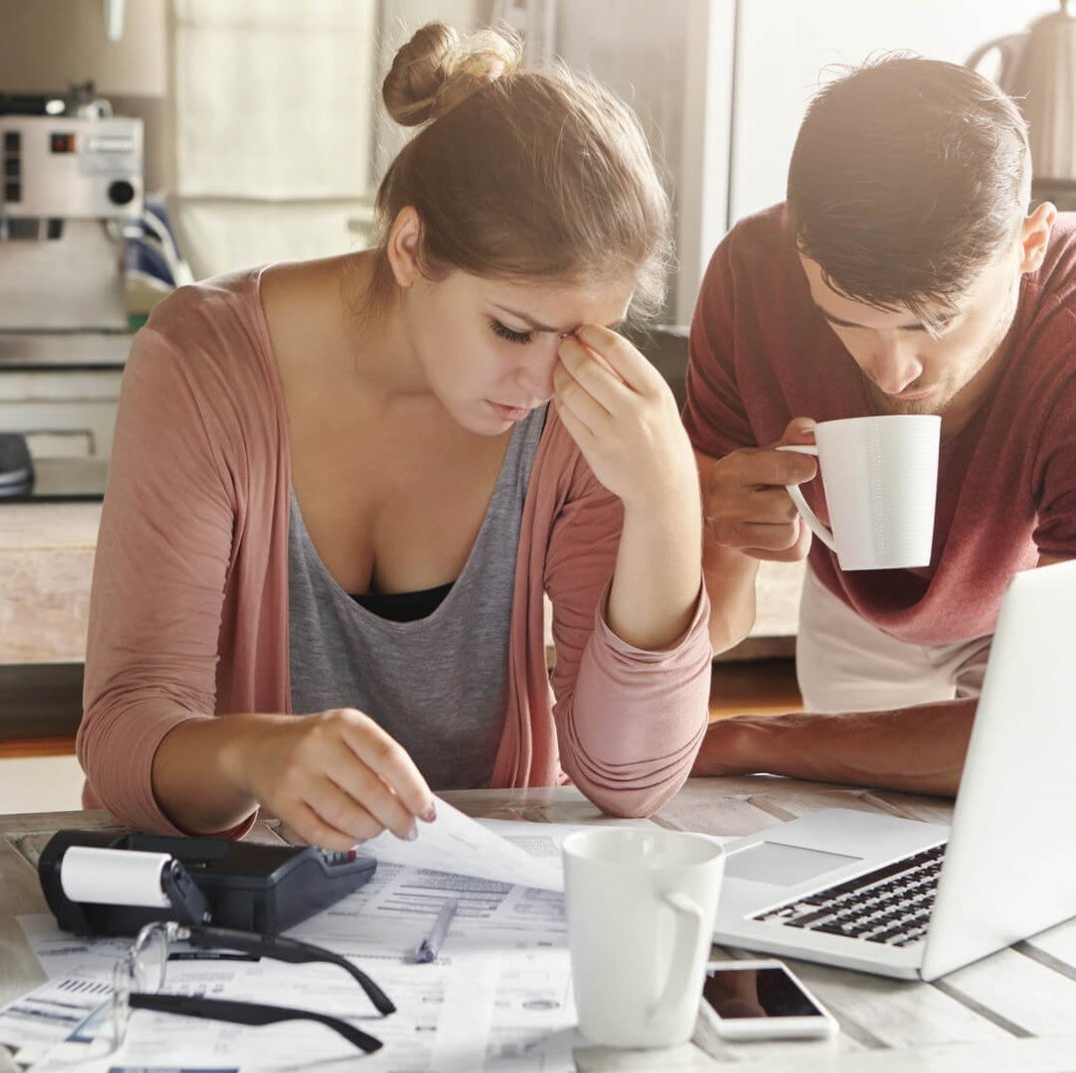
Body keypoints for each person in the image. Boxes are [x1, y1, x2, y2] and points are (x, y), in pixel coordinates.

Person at [77, 23, 712, 848]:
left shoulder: (580, 414)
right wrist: (253, 754)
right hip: (235, 920)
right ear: (410, 247)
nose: (548, 382)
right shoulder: (204, 361)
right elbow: (124, 735)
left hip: (486, 930)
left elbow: (630, 783)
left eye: (586, 337)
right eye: (513, 331)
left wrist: (666, 501)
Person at [685, 57, 1076, 796]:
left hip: (1040, 604)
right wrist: (720, 535)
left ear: (1029, 244)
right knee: (861, 857)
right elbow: (716, 626)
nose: (891, 373)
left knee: (1037, 821)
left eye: (933, 322)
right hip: (856, 603)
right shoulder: (751, 278)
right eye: (846, 324)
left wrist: (757, 738)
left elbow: (1066, 722)